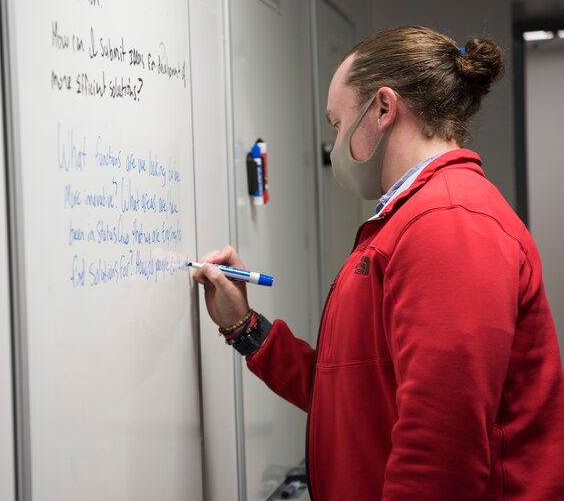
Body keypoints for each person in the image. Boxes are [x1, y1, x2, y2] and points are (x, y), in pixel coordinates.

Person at [193, 26, 563, 501]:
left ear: (384, 109)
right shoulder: (412, 219)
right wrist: (245, 328)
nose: (334, 145)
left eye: (336, 123)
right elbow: (355, 393)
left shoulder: (449, 222)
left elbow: (441, 451)